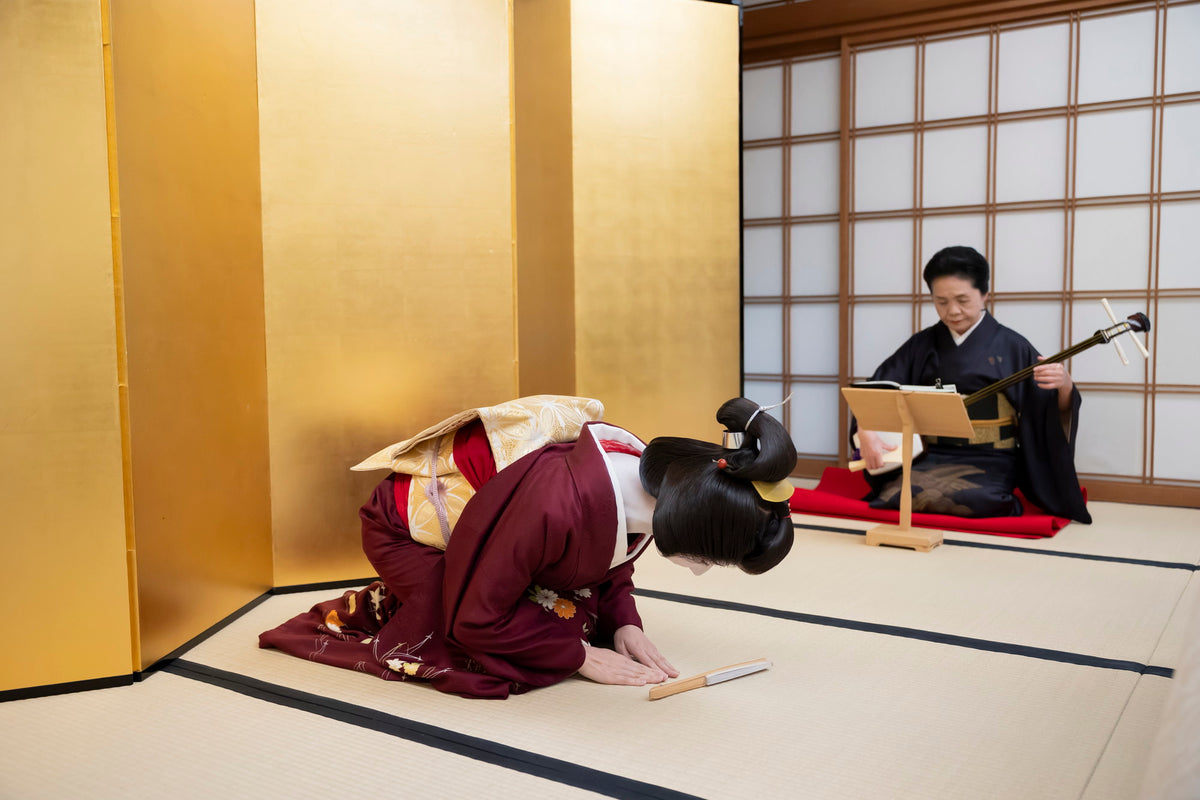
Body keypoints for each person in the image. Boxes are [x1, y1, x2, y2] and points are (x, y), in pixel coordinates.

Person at [259, 394, 798, 699]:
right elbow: (476, 618)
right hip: (407, 531)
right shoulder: (558, 504)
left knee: (577, 618)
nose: (701, 571)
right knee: (463, 645)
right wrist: (579, 655)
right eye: (708, 557)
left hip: (505, 534)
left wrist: (624, 620)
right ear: (691, 515)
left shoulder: (661, 478)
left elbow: (609, 565)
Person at [853, 246, 1091, 523]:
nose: (952, 311)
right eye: (941, 301)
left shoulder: (1011, 346)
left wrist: (1064, 386)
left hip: (990, 456)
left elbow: (1046, 409)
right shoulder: (922, 345)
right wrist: (866, 428)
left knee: (979, 501)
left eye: (962, 300)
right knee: (898, 497)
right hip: (930, 452)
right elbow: (877, 390)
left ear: (985, 295)